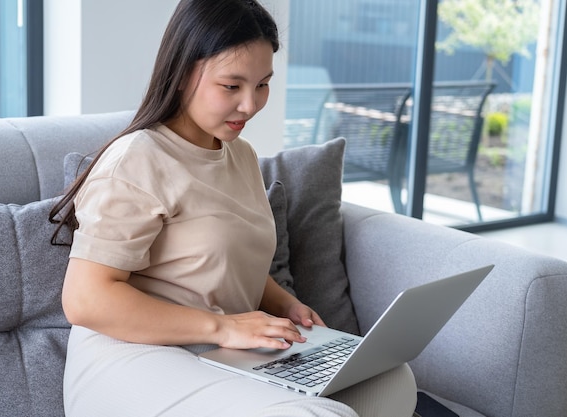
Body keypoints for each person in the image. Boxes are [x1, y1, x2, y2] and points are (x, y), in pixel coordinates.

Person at [50, 0, 417, 415]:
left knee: (390, 379)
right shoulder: (137, 159)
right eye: (232, 86)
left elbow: (222, 265)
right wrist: (224, 326)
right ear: (184, 71)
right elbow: (85, 299)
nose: (250, 105)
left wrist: (284, 306)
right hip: (132, 355)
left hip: (225, 347)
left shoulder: (238, 154)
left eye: (262, 84)